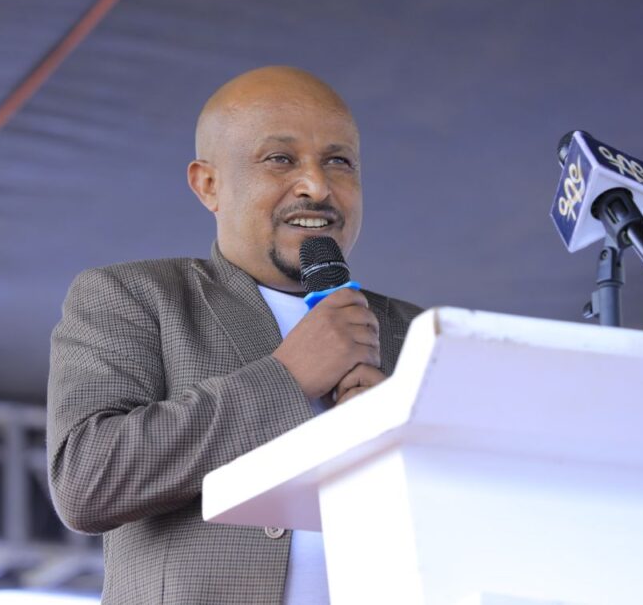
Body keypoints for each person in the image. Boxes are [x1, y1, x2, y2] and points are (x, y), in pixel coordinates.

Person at [47, 66, 422, 604]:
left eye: (338, 161)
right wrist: (288, 378)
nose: (317, 186)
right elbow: (87, 482)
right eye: (281, 159)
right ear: (209, 184)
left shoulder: (419, 336)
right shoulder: (136, 297)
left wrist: (402, 444)